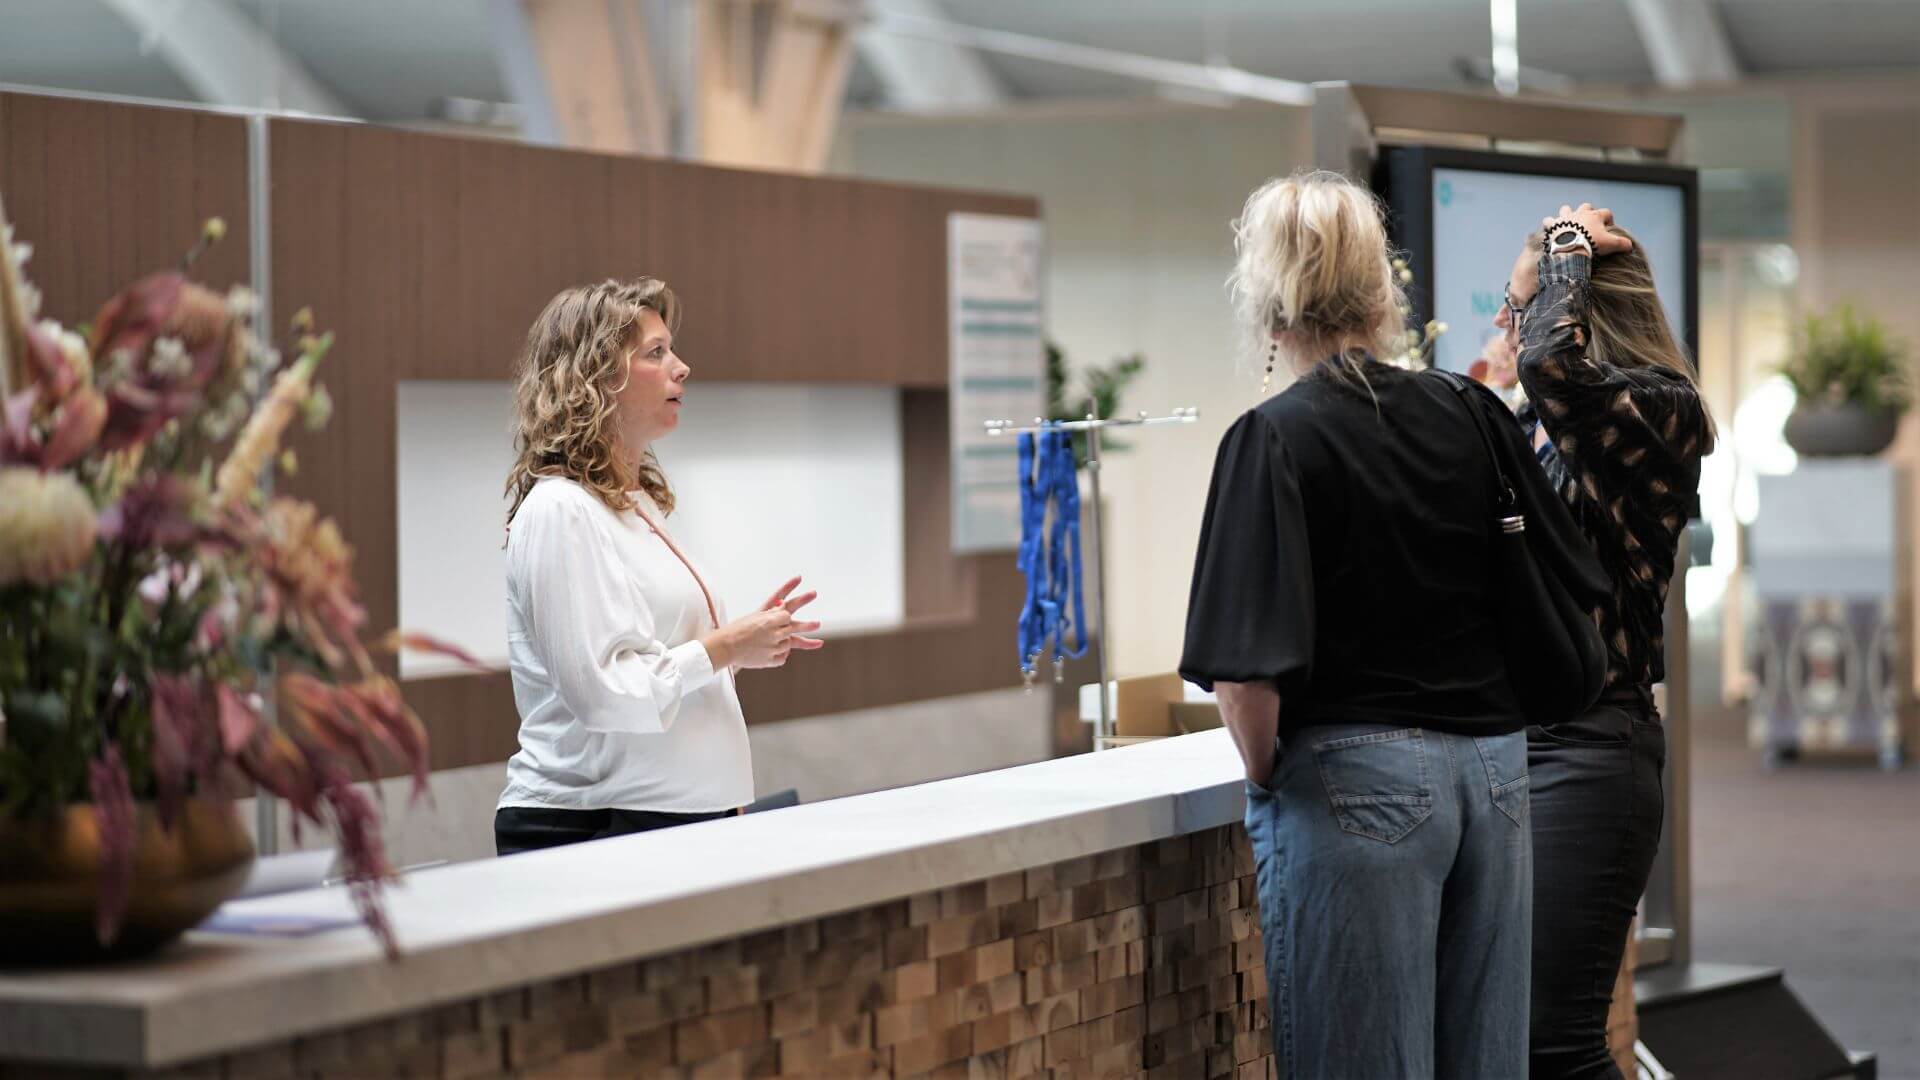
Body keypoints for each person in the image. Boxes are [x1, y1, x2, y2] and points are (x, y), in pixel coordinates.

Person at [1180, 170, 1556, 1076]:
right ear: (1382, 291)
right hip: (1498, 777)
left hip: (1356, 784)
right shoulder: (1471, 412)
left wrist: (1274, 776)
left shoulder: (1274, 437)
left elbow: (1246, 679)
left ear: (1271, 303)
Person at [1495, 205, 1714, 1079]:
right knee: (1509, 1045)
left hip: (1589, 752)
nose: (1510, 324)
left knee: (1556, 1047)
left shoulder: (1663, 412)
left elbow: (1551, 365)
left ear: (1580, 308)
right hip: (1513, 750)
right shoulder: (1540, 425)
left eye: (1522, 306)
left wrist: (1566, 245)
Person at [493, 278, 822, 857]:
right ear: (595, 378)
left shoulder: (632, 505)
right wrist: (724, 646)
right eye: (656, 352)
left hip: (666, 819)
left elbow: (661, 669)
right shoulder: (559, 510)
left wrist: (739, 649)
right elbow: (605, 695)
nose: (682, 367)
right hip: (594, 827)